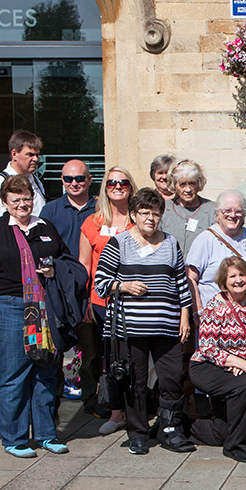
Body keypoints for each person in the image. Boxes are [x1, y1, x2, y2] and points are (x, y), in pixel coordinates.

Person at [0, 174, 73, 457]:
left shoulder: (45, 227)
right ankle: (14, 437)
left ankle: (45, 434)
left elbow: (66, 259)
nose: (22, 204)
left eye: (26, 199)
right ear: (5, 202)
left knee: (45, 369)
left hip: (43, 306)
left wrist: (54, 271)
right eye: (15, 200)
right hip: (8, 304)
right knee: (15, 372)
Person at [93, 188, 196, 456]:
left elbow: (181, 285)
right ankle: (138, 434)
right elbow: (101, 284)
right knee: (135, 382)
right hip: (130, 330)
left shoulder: (171, 243)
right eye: (145, 212)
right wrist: (124, 286)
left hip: (166, 326)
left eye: (156, 213)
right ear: (134, 215)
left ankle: (170, 429)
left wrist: (185, 316)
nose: (151, 218)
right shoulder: (119, 243)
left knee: (172, 379)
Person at [188, 256, 246, 463]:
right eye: (232, 276)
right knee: (245, 385)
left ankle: (182, 424)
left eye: (242, 274)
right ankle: (235, 446)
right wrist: (241, 364)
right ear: (224, 281)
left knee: (221, 432)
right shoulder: (216, 305)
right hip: (207, 365)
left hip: (242, 363)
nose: (238, 280)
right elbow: (207, 346)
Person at [78, 167, 135, 432]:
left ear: (130, 187)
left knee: (135, 356)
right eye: (112, 182)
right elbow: (84, 266)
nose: (117, 186)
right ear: (105, 187)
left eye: (123, 182)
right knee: (111, 357)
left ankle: (137, 409)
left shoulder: (138, 220)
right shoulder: (93, 223)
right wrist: (85, 302)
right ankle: (116, 411)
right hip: (102, 303)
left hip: (136, 300)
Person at [39, 159, 98, 399]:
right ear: (62, 181)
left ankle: (91, 399)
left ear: (89, 180)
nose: (74, 183)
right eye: (68, 179)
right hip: (58, 290)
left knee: (92, 349)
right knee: (55, 346)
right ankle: (53, 399)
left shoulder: (100, 208)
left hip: (89, 287)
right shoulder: (50, 210)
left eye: (80, 178)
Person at [186, 190, 246, 316]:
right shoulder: (205, 240)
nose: (233, 215)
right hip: (219, 322)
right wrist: (197, 311)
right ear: (218, 212)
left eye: (238, 211)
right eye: (227, 210)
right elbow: (190, 277)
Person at [0, 130, 46, 216]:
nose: (36, 159)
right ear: (14, 154)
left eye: (37, 155)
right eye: (30, 155)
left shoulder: (36, 181)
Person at [160, 159, 217, 254]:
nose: (188, 189)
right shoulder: (164, 208)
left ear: (198, 184)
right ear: (175, 185)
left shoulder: (212, 209)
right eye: (182, 184)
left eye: (192, 183)